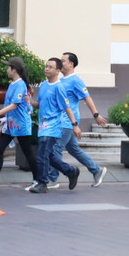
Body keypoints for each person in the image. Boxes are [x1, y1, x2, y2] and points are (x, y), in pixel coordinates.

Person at [58, 52, 109, 186]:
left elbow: (87, 97)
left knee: (55, 149)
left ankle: (51, 178)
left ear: (71, 64)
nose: (60, 63)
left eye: (63, 61)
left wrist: (96, 115)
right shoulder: (61, 80)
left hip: (68, 121)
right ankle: (96, 170)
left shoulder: (76, 80)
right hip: (60, 120)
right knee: (73, 149)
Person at [0, 56, 38, 185]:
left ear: (14, 69)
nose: (7, 70)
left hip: (20, 125)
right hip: (10, 124)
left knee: (28, 152)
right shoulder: (12, 85)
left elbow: (14, 105)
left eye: (8, 67)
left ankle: (38, 179)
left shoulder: (20, 85)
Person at [35, 57, 81, 193]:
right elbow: (39, 104)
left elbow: (67, 107)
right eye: (46, 66)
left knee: (41, 155)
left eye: (50, 67)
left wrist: (75, 125)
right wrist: (29, 101)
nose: (47, 69)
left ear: (58, 70)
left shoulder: (59, 87)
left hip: (53, 126)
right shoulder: (43, 85)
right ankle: (71, 171)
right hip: (42, 126)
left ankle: (42, 183)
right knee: (48, 156)